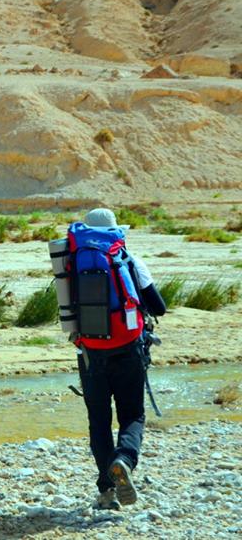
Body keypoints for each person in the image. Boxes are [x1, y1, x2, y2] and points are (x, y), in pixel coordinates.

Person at [74, 208, 167, 510]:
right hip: (128, 348)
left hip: (89, 353)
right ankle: (124, 460)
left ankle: (106, 492)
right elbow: (159, 307)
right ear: (116, 232)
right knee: (132, 415)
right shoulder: (128, 260)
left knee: (98, 422)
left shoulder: (71, 262)